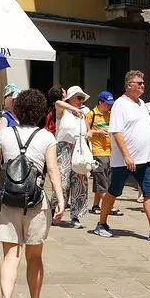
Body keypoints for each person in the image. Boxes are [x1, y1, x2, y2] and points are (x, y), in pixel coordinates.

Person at [0, 89, 64, 298]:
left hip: (9, 201)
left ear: (17, 110)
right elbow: (53, 169)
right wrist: (60, 198)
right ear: (40, 112)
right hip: (36, 202)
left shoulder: (5, 134)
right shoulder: (46, 137)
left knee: (11, 255)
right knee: (34, 256)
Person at [92, 71, 150, 242]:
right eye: (139, 83)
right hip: (124, 160)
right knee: (114, 191)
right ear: (129, 85)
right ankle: (101, 224)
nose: (143, 86)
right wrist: (127, 156)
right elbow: (116, 132)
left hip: (145, 159)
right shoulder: (120, 105)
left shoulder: (142, 104)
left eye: (143, 83)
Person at [55, 86, 91, 228]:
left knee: (80, 181)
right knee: (62, 181)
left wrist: (89, 133)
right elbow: (58, 103)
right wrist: (73, 108)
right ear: (70, 98)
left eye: (82, 98)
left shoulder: (82, 114)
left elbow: (89, 129)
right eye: (78, 97)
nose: (81, 101)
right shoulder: (63, 110)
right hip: (64, 148)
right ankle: (56, 210)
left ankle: (76, 216)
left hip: (79, 149)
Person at [87, 91, 114, 215]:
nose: (109, 106)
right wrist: (98, 133)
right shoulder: (91, 114)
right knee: (101, 179)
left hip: (110, 151)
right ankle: (109, 206)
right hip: (98, 151)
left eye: (110, 104)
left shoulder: (110, 115)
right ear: (100, 102)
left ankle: (96, 205)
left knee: (105, 179)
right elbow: (86, 131)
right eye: (107, 104)